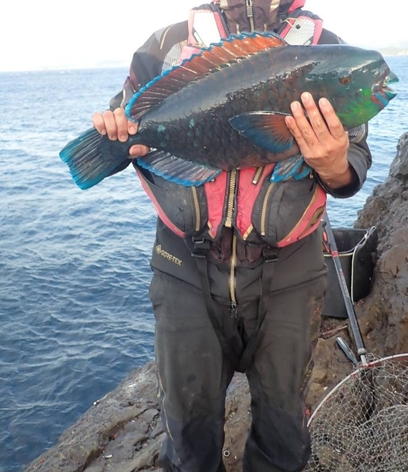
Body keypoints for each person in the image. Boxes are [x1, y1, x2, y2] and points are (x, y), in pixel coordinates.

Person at [92, 1, 372, 471]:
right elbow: (132, 128)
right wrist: (116, 134)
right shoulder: (164, 47)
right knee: (187, 436)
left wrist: (334, 164)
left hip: (291, 275)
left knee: (283, 434)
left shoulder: (330, 52)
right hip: (184, 269)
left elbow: (353, 164)